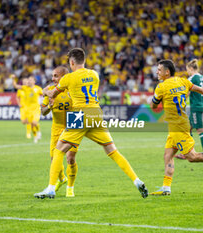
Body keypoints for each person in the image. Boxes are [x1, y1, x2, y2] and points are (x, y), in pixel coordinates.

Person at [34, 48, 148, 199]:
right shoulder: (94, 74)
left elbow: (52, 93)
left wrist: (43, 91)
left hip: (79, 114)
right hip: (96, 113)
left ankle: (50, 189)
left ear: (72, 62)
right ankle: (137, 180)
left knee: (58, 150)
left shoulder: (68, 78)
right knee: (113, 151)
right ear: (84, 60)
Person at [150, 60, 203, 196]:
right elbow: (202, 91)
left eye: (159, 70)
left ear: (167, 72)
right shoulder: (183, 81)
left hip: (178, 126)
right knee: (168, 155)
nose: (157, 72)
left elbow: (154, 107)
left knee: (192, 156)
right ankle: (166, 188)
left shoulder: (161, 87)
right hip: (179, 124)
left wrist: (156, 102)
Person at [41, 66, 78, 197]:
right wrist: (50, 106)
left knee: (70, 159)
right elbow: (43, 112)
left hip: (72, 127)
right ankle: (62, 179)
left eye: (56, 75)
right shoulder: (51, 91)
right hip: (56, 128)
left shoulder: (72, 90)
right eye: (53, 76)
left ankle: (70, 187)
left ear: (64, 77)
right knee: (53, 159)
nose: (53, 78)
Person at [186, 59, 203, 152]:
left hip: (195, 106)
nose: (187, 72)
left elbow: (187, 93)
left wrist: (180, 104)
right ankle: (188, 152)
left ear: (190, 68)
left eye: (187, 70)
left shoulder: (192, 78)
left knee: (199, 129)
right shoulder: (202, 78)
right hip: (201, 105)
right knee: (188, 128)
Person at [13, 76, 43, 143]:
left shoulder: (38, 89)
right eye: (28, 80)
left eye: (30, 80)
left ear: (34, 82)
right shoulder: (25, 88)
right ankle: (35, 136)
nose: (29, 81)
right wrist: (13, 79)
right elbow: (15, 86)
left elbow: (44, 94)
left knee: (34, 122)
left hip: (36, 109)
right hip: (28, 110)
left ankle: (38, 131)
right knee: (31, 124)